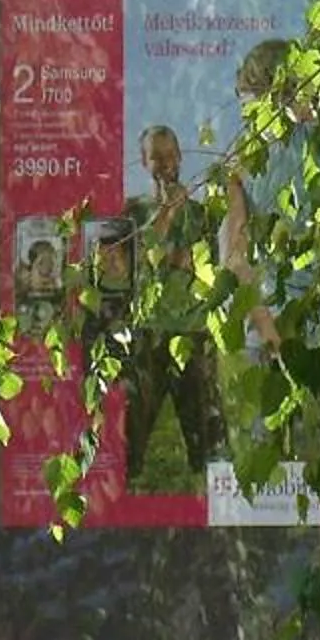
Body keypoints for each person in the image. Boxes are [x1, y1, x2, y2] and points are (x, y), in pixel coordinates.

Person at [118, 124, 224, 491]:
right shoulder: (134, 210)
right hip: (148, 331)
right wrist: (167, 213)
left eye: (169, 155)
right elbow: (137, 262)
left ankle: (209, 504)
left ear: (180, 156)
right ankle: (127, 500)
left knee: (207, 435)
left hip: (194, 331)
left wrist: (180, 260)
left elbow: (211, 267)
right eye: (155, 157)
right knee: (134, 432)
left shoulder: (203, 214)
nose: (164, 163)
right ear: (143, 162)